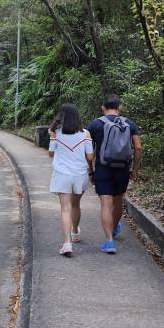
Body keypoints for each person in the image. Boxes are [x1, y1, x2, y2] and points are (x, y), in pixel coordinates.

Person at [87, 94, 142, 254]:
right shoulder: (130, 124)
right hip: (123, 169)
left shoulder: (95, 124)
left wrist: (91, 171)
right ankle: (114, 228)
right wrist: (135, 169)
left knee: (106, 203)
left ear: (103, 108)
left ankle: (109, 241)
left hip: (103, 168)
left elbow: (88, 152)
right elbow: (138, 148)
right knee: (118, 201)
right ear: (120, 108)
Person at [48, 104, 94, 257]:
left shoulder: (56, 133)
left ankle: (67, 243)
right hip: (79, 175)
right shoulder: (86, 134)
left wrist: (53, 137)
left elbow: (51, 153)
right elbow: (89, 157)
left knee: (65, 209)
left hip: (62, 175)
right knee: (76, 205)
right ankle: (75, 232)